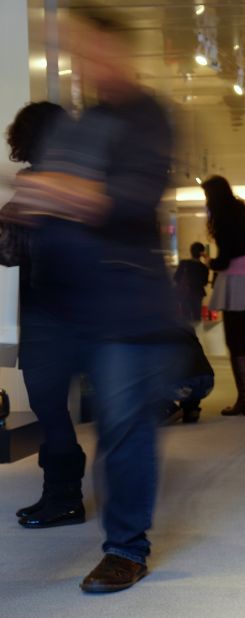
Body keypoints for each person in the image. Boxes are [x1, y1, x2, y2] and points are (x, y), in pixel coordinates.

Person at [3, 7, 184, 592]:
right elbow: (36, 205)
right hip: (55, 302)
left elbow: (126, 199)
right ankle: (62, 497)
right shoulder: (74, 127)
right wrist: (40, 198)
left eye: (90, 49)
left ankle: (125, 548)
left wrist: (53, 191)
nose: (83, 63)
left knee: (121, 428)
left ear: (118, 52)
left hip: (123, 302)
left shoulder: (149, 118)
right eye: (74, 52)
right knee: (52, 412)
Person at [4, 102, 89, 531]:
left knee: (50, 409)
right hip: (89, 310)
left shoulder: (35, 184)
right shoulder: (87, 179)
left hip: (46, 314)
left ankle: (64, 498)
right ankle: (59, 493)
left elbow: (8, 252)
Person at [204, 175, 245, 416]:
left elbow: (225, 257)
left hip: (234, 279)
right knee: (241, 338)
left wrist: (213, 263)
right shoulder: (244, 211)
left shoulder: (223, 216)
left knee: (235, 340)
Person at [162, 327, 214, 425]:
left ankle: (167, 409)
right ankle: (191, 409)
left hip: (181, 386)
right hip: (207, 383)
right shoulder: (185, 325)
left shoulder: (148, 328)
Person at [173, 241, 209, 322]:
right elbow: (205, 282)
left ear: (191, 251)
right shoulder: (203, 267)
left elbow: (176, 277)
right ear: (201, 253)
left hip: (184, 292)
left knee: (185, 317)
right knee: (197, 318)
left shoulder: (184, 263)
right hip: (197, 293)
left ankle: (186, 334)